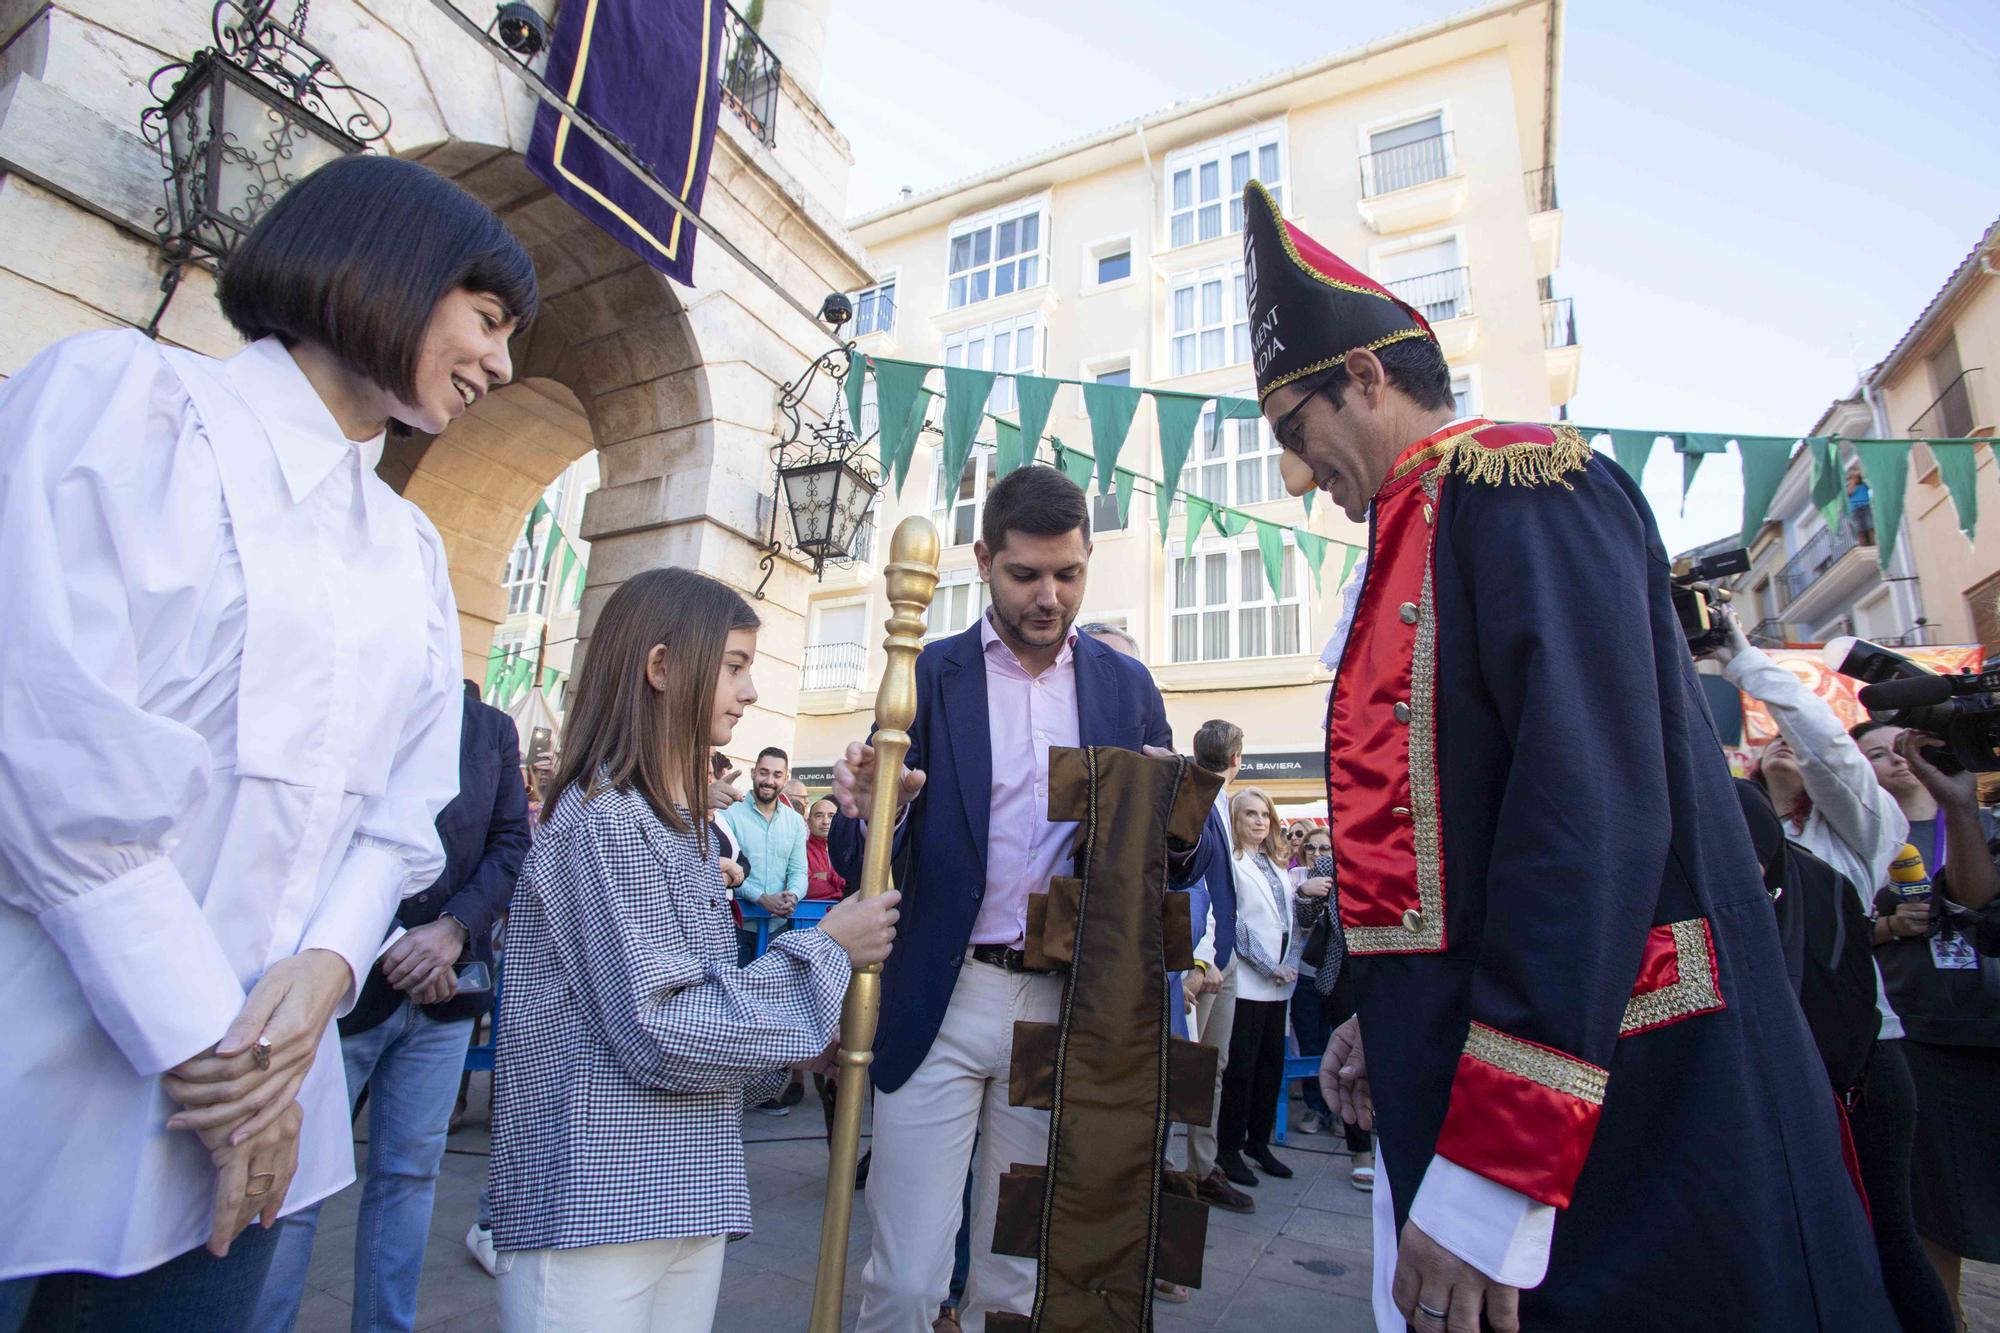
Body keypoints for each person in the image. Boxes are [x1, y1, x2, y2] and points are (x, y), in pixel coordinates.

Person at [1241, 178, 1893, 1331]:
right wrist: (1378, 1018)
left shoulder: (1526, 488)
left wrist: (1496, 1174)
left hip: (1631, 1105)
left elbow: (1580, 825)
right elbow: (1463, 856)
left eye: (1295, 433)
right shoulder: (1423, 525)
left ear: (1366, 376)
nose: (1294, 475)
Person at [0, 154, 521, 1329]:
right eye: (485, 319)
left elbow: (402, 810)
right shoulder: (125, 404)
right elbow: (47, 752)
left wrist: (325, 972)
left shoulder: (408, 548)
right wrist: (223, 1060)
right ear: (386, 270)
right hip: (55, 1077)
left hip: (271, 1097)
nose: (500, 363)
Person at [827, 464, 1213, 1333]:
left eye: (1068, 574)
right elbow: (859, 857)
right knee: (907, 1276)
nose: (1049, 596)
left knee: (1020, 1278)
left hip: (1065, 1006)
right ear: (981, 560)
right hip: (943, 992)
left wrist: (1174, 813)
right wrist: (869, 803)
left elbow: (1174, 867)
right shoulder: (926, 675)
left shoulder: (1125, 689)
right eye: (1025, 574)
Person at [487, 568, 899, 1333]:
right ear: (662, 667)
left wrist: (789, 1047)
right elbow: (661, 1027)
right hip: (595, 1198)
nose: (748, 691)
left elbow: (705, 1004)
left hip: (683, 1183)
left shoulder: (678, 826)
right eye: (736, 665)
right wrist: (824, 952)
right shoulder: (605, 821)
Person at [252, 678, 532, 1330]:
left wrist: (453, 930)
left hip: (446, 992)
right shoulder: (354, 701)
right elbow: (320, 835)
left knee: (409, 1176)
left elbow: (510, 842)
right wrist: (388, 944)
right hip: (343, 989)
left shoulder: (489, 728)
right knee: (295, 1182)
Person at [1736, 778, 1956, 1333]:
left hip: (1855, 1070)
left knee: (1884, 1233)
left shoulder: (1859, 836)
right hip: (1823, 1066)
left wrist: (1768, 684)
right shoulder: (1789, 842)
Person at [1856, 722, 2000, 1327]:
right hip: (1921, 1034)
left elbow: (1982, 906)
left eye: (1907, 746)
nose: (1898, 760)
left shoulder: (1983, 824)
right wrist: (1887, 928)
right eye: (1876, 753)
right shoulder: (1856, 834)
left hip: (1989, 1026)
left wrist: (1957, 806)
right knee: (1936, 1206)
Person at [1179, 722, 1254, 1218]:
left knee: (1213, 1071)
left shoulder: (1221, 805)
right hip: (1201, 965)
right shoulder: (1195, 801)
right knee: (1187, 1075)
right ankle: (1176, 1180)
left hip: (1220, 963)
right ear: (1237, 759)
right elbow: (1192, 886)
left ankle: (1202, 1170)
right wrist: (1202, 959)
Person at [1214, 788, 1300, 1189]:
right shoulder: (1232, 862)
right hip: (1250, 981)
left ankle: (1258, 1142)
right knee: (1241, 1069)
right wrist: (1270, 967)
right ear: (1236, 818)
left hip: (1281, 982)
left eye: (1264, 814)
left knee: (1271, 1067)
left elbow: (1289, 920)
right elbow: (1237, 922)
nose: (1259, 821)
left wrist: (1290, 965)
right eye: (1250, 814)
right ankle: (1228, 1149)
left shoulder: (1275, 862)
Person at [723, 747, 808, 969]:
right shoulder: (729, 813)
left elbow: (799, 871)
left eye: (777, 775)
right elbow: (724, 871)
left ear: (785, 778)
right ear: (753, 773)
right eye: (763, 772)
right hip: (735, 928)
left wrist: (793, 895)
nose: (769, 780)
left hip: (778, 930)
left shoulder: (795, 821)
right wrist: (761, 898)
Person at [805, 797, 847, 903]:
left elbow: (856, 884)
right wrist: (841, 892)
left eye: (831, 816)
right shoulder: (800, 850)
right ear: (809, 822)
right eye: (819, 816)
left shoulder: (849, 850)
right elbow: (808, 888)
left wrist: (828, 876)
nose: (825, 821)